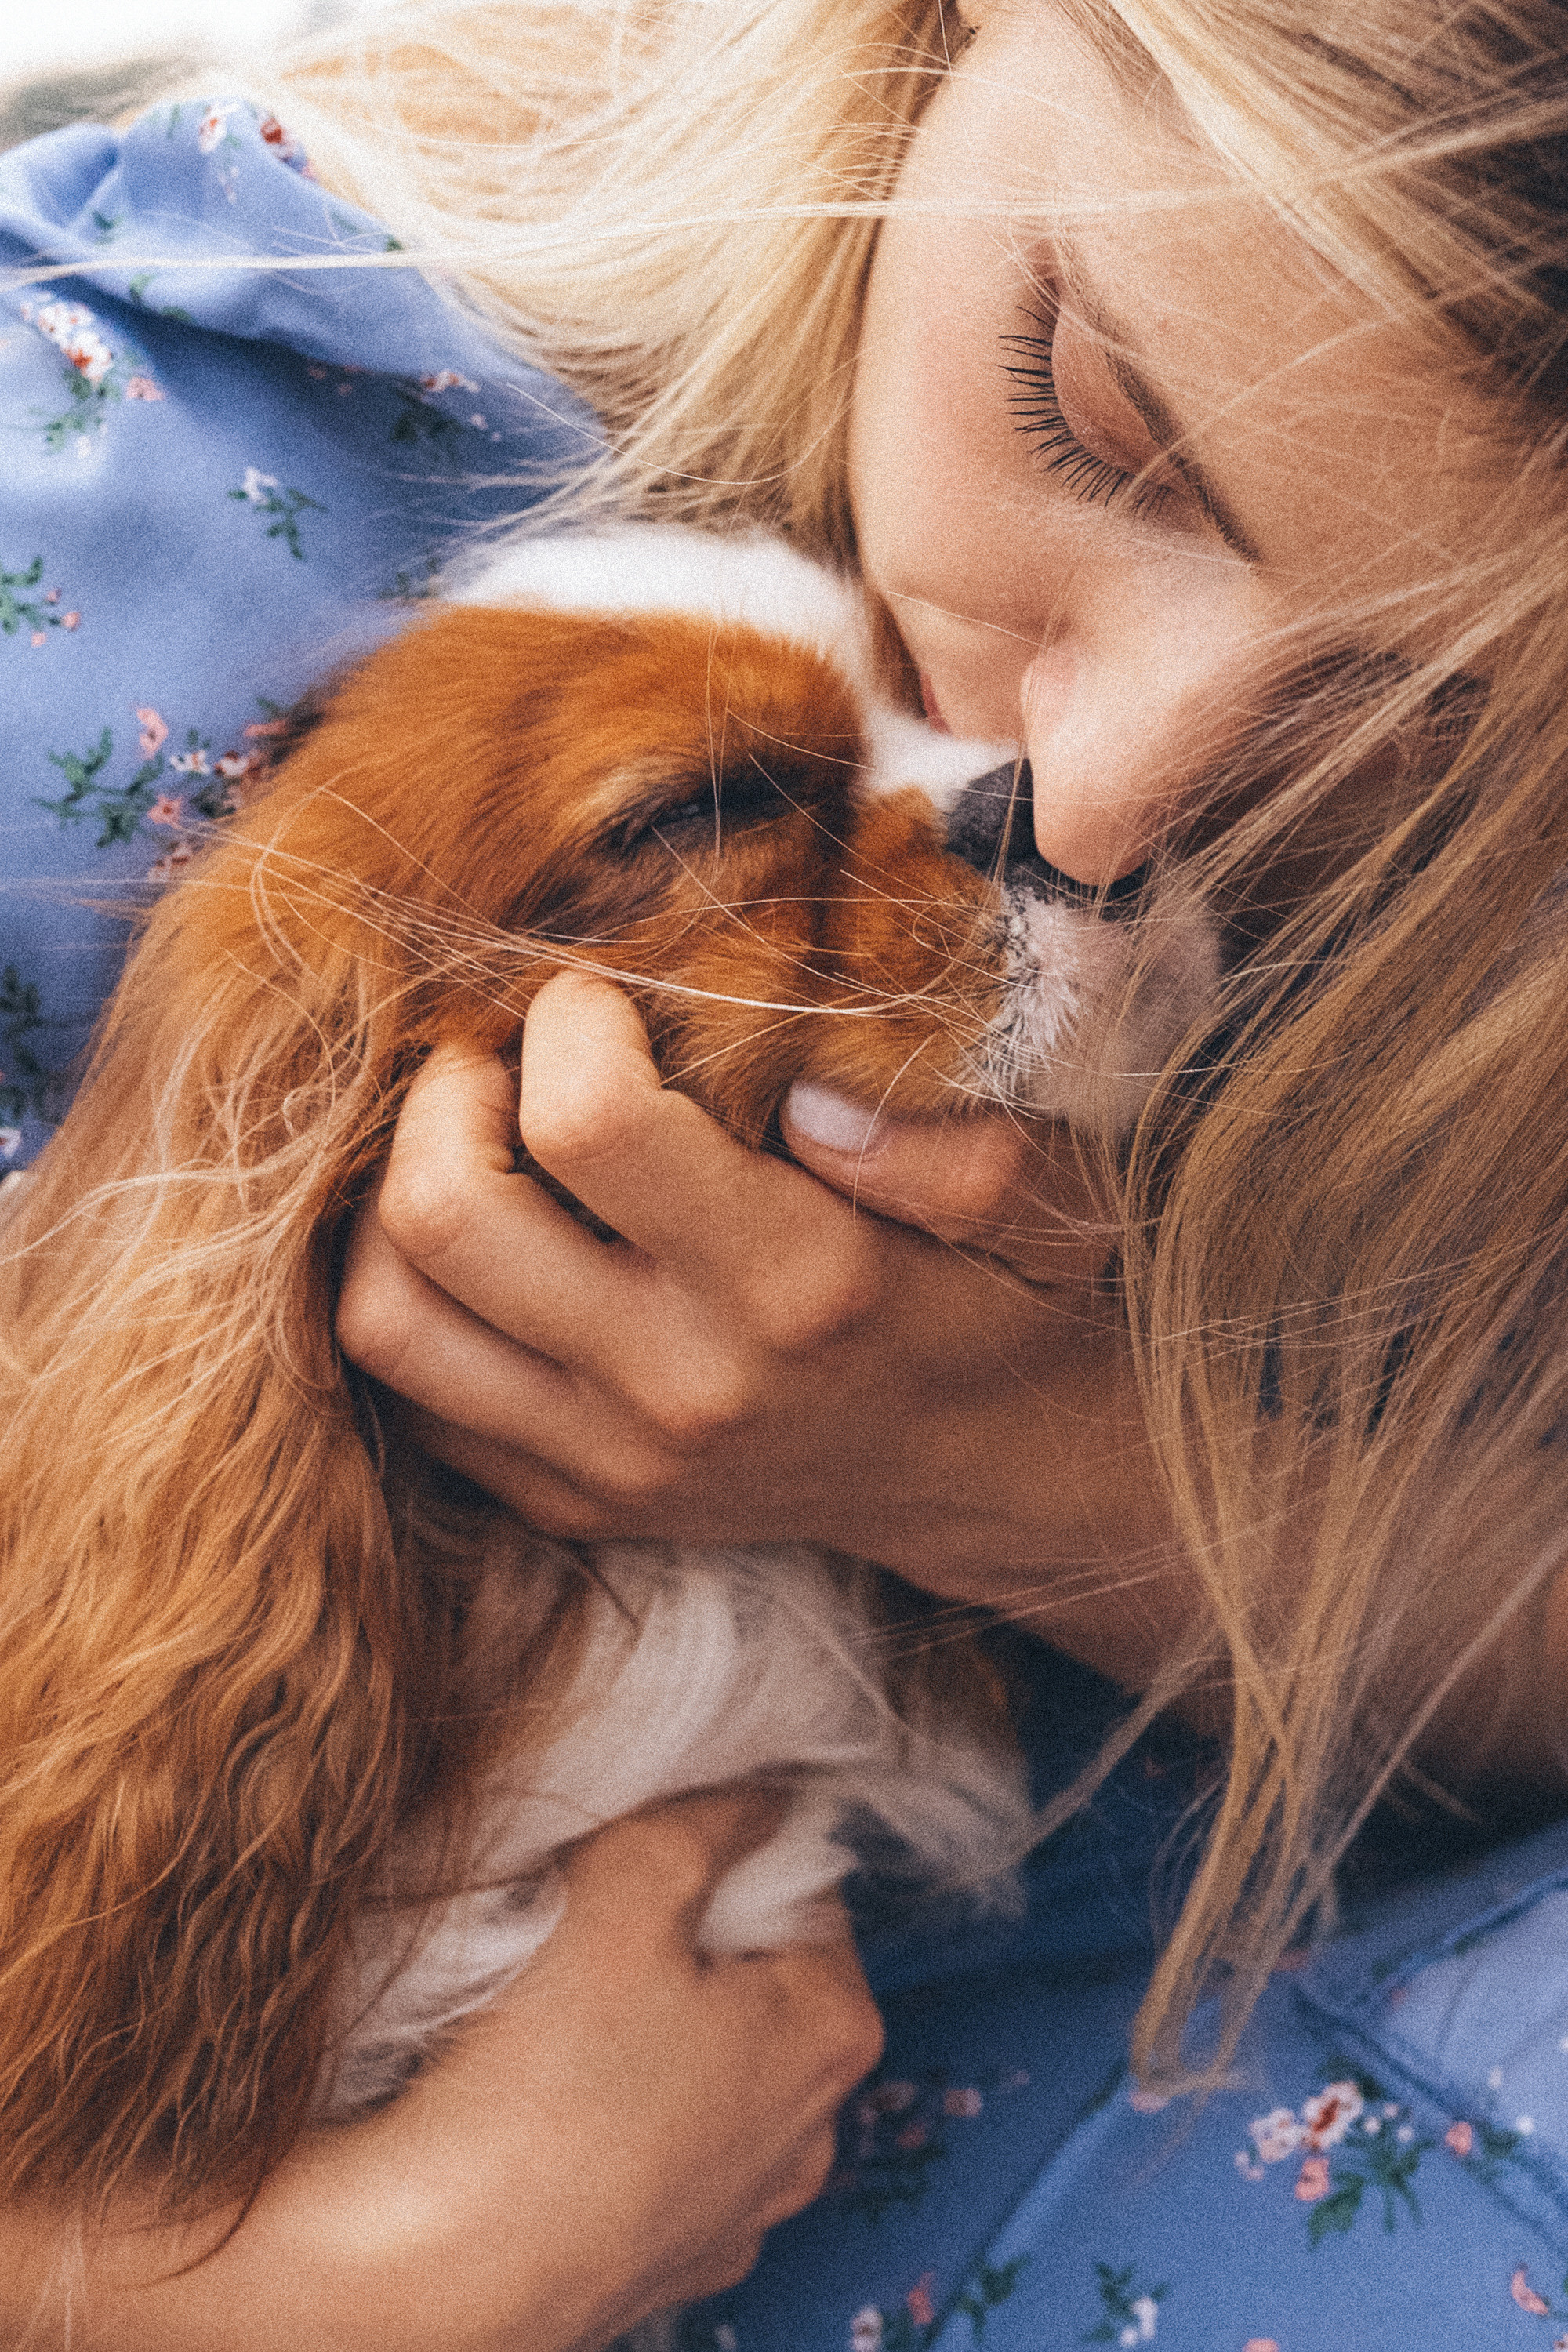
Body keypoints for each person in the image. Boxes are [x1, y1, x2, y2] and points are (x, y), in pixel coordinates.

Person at [3, 0, 1568, 2339]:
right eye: (1097, 413)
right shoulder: (129, 495)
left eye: (1427, 749)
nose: (1110, 802)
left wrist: (1054, 1473)